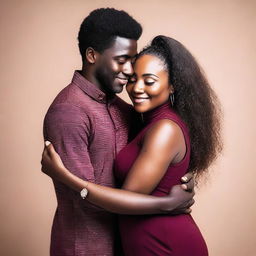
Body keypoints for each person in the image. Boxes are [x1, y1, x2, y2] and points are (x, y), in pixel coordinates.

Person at [42, 35, 222, 255]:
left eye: (149, 81)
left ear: (173, 86)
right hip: (143, 241)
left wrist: (64, 176)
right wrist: (168, 201)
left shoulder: (165, 129)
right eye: (133, 79)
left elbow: (128, 198)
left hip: (164, 244)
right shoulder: (144, 121)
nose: (137, 88)